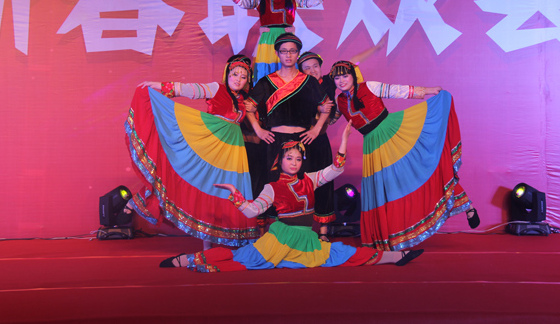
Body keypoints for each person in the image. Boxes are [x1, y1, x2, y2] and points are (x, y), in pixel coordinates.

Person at [159, 122, 424, 271]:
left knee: (342, 253)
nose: (294, 162)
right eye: (289, 158)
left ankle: (397, 257)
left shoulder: (310, 179)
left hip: (307, 239)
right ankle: (186, 260)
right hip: (280, 238)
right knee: (242, 259)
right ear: (281, 161)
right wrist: (235, 194)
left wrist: (344, 139)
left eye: (298, 158)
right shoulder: (272, 187)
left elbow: (336, 169)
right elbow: (252, 211)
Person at [329, 60, 479, 252]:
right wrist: (321, 110)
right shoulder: (339, 101)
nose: (341, 81)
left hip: (392, 133)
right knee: (385, 188)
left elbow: (398, 91)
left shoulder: (370, 87)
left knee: (416, 171)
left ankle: (467, 205)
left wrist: (429, 90)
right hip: (372, 145)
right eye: (337, 78)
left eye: (345, 76)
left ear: (353, 76)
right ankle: (390, 236)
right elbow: (329, 119)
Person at [124, 55, 259, 249]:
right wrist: (159, 86)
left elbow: (242, 125)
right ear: (227, 74)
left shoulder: (243, 100)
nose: (238, 79)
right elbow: (191, 89)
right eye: (234, 74)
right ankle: (205, 246)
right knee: (200, 184)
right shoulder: (217, 88)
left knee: (224, 191)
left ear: (247, 81)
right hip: (209, 148)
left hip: (232, 153)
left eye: (243, 76)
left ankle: (223, 240)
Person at [296, 40, 387, 241]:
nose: (312, 71)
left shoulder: (329, 82)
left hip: (320, 141)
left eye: (315, 66)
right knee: (300, 184)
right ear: (300, 71)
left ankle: (323, 233)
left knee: (325, 184)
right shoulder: (296, 87)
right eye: (307, 68)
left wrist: (376, 48)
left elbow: (353, 61)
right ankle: (300, 232)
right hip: (301, 142)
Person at [244, 34, 330, 214]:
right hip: (274, 140)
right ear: (277, 53)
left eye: (292, 51)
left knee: (301, 185)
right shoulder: (266, 82)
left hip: (302, 141)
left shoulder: (309, 81)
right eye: (284, 51)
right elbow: (249, 107)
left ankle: (299, 226)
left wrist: (316, 130)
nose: (288, 55)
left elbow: (326, 107)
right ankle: (276, 228)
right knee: (274, 185)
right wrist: (258, 130)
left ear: (298, 53)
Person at [217, 0, 338, 83]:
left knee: (288, 71)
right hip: (268, 39)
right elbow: (242, 2)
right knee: (266, 71)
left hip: (286, 38)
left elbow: (315, 0)